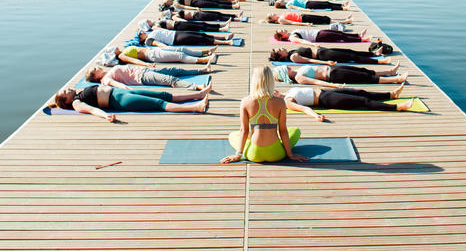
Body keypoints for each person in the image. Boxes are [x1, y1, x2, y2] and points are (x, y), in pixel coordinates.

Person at [221, 66, 308, 163]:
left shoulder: (245, 102)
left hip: (254, 154)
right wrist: (290, 154)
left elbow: (244, 131)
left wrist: (238, 155)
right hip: (276, 153)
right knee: (295, 131)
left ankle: (251, 138)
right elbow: (283, 130)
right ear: (271, 80)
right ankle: (276, 141)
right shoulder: (280, 102)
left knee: (233, 135)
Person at [53, 85, 209, 121]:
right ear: (66, 100)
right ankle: (196, 107)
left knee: (163, 94)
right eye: (65, 92)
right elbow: (91, 110)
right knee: (159, 103)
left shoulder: (79, 92)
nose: (67, 89)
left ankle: (199, 94)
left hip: (124, 92)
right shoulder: (76, 103)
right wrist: (106, 116)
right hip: (120, 100)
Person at [282, 84, 413, 121]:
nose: (275, 91)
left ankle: (391, 94)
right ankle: (397, 107)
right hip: (326, 99)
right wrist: (316, 115)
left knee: (360, 92)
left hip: (326, 91)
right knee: (363, 101)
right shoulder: (287, 101)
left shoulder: (288, 91)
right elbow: (304, 109)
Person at [86, 64, 213, 91]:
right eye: (94, 70)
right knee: (169, 80)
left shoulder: (108, 70)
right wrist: (125, 88)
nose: (97, 68)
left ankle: (201, 70)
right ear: (95, 77)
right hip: (142, 76)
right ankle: (196, 87)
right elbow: (114, 84)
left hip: (145, 70)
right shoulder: (105, 79)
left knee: (174, 70)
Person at [272, 62, 407, 86]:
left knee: (362, 71)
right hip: (334, 76)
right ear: (286, 73)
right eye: (286, 68)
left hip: (334, 69)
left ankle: (390, 72)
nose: (288, 67)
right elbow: (317, 82)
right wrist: (334, 86)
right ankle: (395, 79)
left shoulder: (297, 72)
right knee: (365, 78)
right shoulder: (298, 77)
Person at [102, 45, 215, 67]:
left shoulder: (123, 50)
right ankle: (203, 60)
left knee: (181, 50)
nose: (116, 47)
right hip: (152, 55)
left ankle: (204, 52)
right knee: (179, 56)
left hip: (153, 50)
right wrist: (146, 64)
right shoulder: (122, 55)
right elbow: (133, 60)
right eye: (113, 49)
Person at [270, 47, 392, 65]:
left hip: (323, 50)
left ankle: (374, 54)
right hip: (323, 55)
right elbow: (310, 60)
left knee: (350, 51)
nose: (282, 48)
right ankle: (379, 62)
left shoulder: (291, 52)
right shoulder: (293, 57)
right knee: (351, 57)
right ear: (281, 56)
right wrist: (327, 63)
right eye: (280, 50)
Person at [137, 29, 235, 47]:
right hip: (175, 39)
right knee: (201, 39)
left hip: (176, 33)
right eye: (140, 34)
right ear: (141, 39)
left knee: (201, 34)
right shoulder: (147, 40)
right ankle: (227, 43)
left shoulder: (150, 33)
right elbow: (157, 44)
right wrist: (167, 48)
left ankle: (223, 37)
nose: (142, 32)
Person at [273, 27, 371, 45]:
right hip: (319, 36)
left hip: (318, 32)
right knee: (340, 37)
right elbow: (301, 41)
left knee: (339, 33)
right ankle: (360, 40)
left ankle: (358, 35)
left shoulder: (291, 32)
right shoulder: (292, 37)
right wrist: (311, 44)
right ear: (282, 37)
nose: (283, 30)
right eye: (281, 31)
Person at [266, 12, 352, 26]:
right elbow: (292, 23)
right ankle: (344, 22)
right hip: (303, 19)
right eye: (272, 15)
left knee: (324, 18)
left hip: (303, 16)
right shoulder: (280, 20)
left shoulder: (280, 17)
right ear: (272, 19)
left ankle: (343, 19)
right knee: (324, 20)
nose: (274, 13)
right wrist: (305, 24)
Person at [160, 0, 240, 11]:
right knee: (215, 5)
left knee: (215, 2)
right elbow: (185, 7)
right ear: (167, 3)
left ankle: (232, 2)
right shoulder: (175, 4)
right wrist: (195, 8)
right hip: (196, 4)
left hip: (196, 1)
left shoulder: (175, 1)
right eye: (167, 0)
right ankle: (233, 6)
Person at [169, 8, 244, 22]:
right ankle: (236, 19)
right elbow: (181, 20)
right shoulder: (175, 16)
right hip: (197, 16)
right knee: (217, 17)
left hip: (198, 13)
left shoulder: (176, 11)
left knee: (217, 13)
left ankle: (235, 15)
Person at [156, 18, 229, 33]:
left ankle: (221, 25)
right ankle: (221, 29)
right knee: (201, 27)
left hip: (180, 23)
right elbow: (160, 29)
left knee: (202, 24)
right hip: (178, 27)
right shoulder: (156, 26)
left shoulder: (157, 21)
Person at [274, 0, 349, 11]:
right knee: (326, 5)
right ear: (280, 4)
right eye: (279, 0)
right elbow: (296, 8)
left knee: (326, 3)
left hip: (308, 2)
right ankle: (343, 8)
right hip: (308, 5)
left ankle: (341, 5)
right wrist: (306, 10)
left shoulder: (287, 2)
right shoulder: (288, 5)